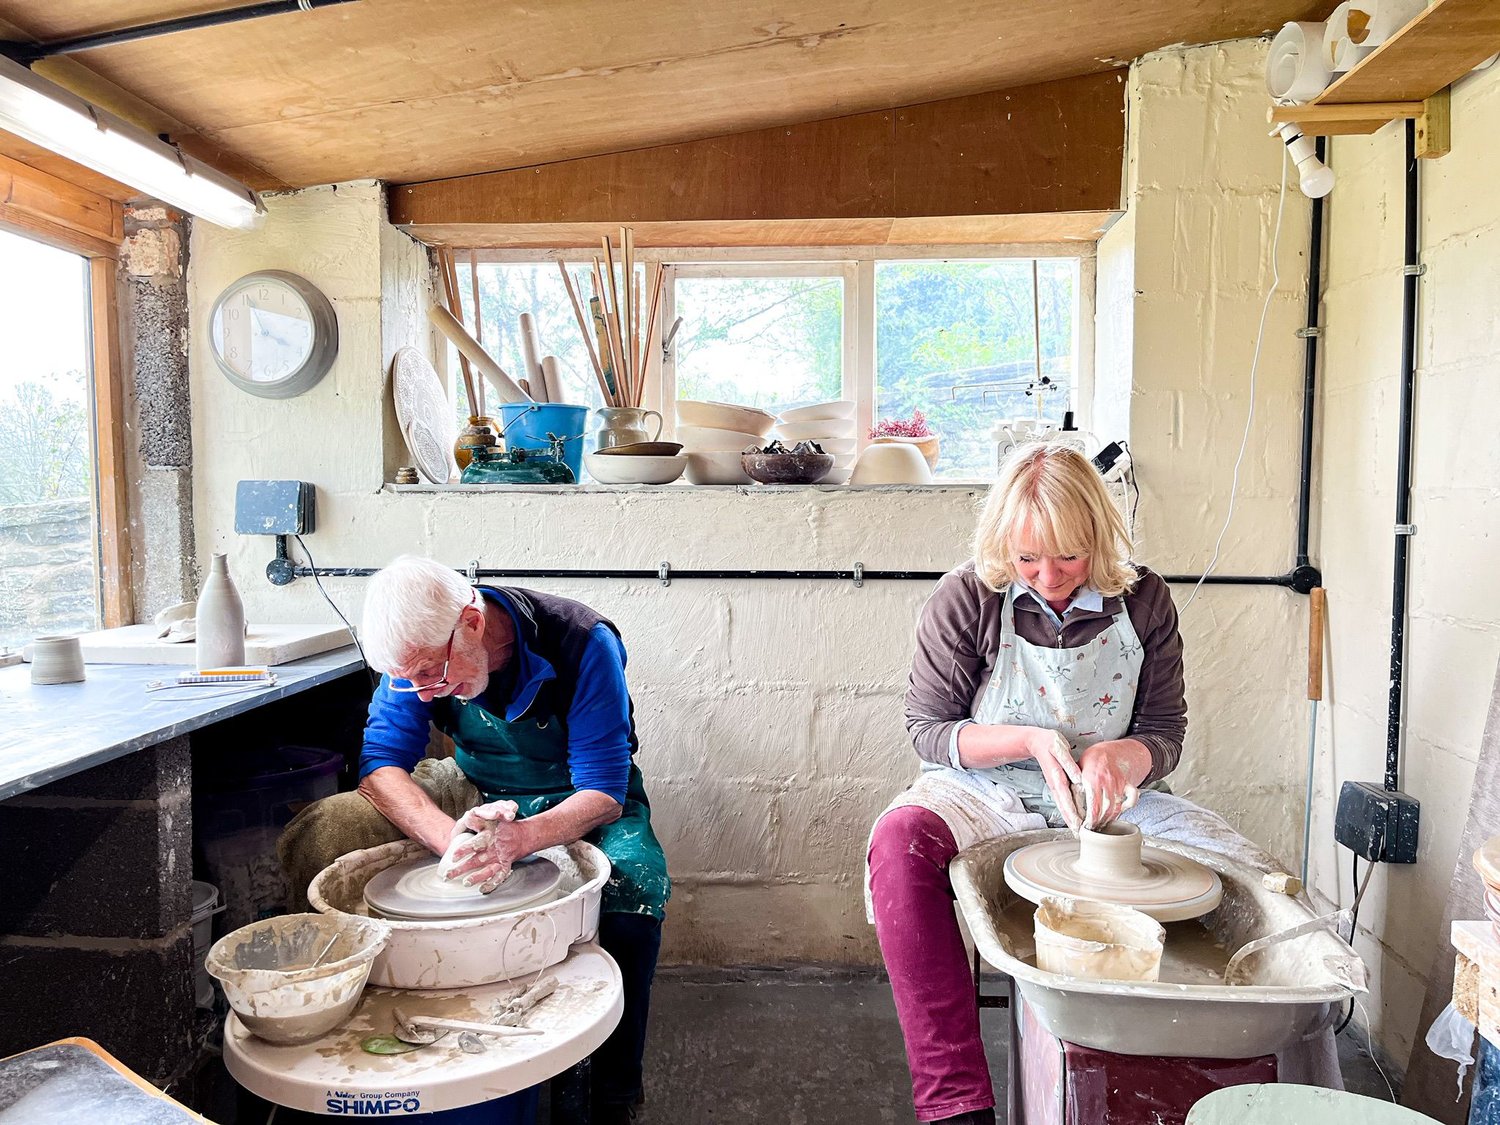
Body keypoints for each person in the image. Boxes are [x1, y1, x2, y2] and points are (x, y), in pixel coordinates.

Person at [866, 443, 1332, 1125]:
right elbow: (930, 729)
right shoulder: (968, 594)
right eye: (1028, 558)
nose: (1049, 576)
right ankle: (955, 1101)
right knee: (898, 841)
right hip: (988, 789)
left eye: (1070, 557)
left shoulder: (1143, 600)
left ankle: (1249, 1083)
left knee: (1253, 876)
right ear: (1003, 543)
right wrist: (1027, 739)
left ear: (1099, 539)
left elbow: (1165, 731)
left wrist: (1123, 756)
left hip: (1107, 799)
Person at [356, 555, 668, 1125]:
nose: (424, 694)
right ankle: (370, 1047)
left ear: (472, 622)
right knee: (331, 827)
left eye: (431, 673)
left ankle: (612, 1090)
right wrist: (448, 835)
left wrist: (519, 839)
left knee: (633, 887)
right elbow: (381, 766)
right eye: (409, 681)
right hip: (475, 788)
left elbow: (603, 789)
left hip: (575, 795)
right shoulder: (417, 652)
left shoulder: (581, 642)